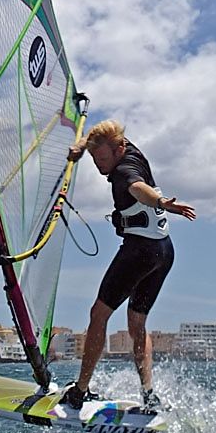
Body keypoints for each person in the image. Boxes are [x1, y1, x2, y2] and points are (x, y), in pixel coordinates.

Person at [60, 120, 196, 411]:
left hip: (140, 252)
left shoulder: (124, 172)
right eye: (95, 159)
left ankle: (80, 391)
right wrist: (81, 146)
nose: (99, 165)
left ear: (119, 150)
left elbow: (138, 188)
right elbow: (96, 136)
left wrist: (162, 202)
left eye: (103, 158)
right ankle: (149, 394)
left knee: (99, 314)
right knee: (137, 323)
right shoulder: (126, 147)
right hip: (164, 252)